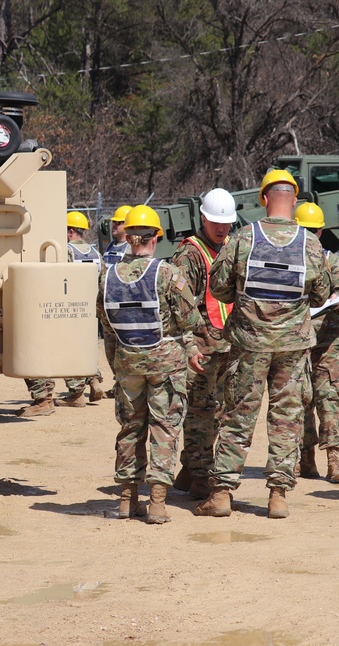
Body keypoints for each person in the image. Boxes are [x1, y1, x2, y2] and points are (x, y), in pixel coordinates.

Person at [196, 169, 329, 519]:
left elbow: (220, 287)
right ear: (295, 201)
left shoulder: (243, 238)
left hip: (248, 345)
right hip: (293, 348)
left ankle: (222, 493)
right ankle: (278, 496)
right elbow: (322, 295)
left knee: (238, 416)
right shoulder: (311, 244)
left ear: (264, 199)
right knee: (287, 417)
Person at [98, 205, 201, 524]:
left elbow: (106, 322)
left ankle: (127, 501)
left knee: (130, 428)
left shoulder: (107, 274)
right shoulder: (167, 273)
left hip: (127, 360)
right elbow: (189, 318)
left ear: (128, 237)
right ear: (156, 237)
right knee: (164, 428)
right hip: (165, 363)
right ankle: (157, 502)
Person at [170, 188, 235, 500]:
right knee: (199, 414)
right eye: (215, 223)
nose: (221, 228)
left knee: (219, 412)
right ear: (203, 218)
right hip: (201, 348)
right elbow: (179, 306)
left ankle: (190, 469)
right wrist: (190, 346)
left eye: (226, 223)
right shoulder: (190, 254)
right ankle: (199, 478)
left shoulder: (231, 247)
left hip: (227, 345)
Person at [17, 211, 106, 417]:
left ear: (71, 231)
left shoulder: (65, 251)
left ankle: (55, 396)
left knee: (61, 349)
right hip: (89, 308)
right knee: (83, 347)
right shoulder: (95, 253)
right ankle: (87, 384)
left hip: (67, 308)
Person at [295, 203, 339, 483]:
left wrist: (336, 302)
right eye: (302, 231)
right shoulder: (289, 262)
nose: (308, 236)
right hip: (295, 343)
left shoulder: (334, 262)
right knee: (300, 400)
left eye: (311, 231)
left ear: (320, 232)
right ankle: (305, 460)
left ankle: (334, 461)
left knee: (328, 399)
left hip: (326, 343)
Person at [102, 205, 133, 403]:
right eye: (114, 222)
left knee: (124, 350)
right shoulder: (111, 246)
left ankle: (126, 387)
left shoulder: (130, 249)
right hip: (108, 304)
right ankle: (118, 384)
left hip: (123, 306)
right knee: (110, 349)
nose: (114, 225)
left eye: (119, 222)